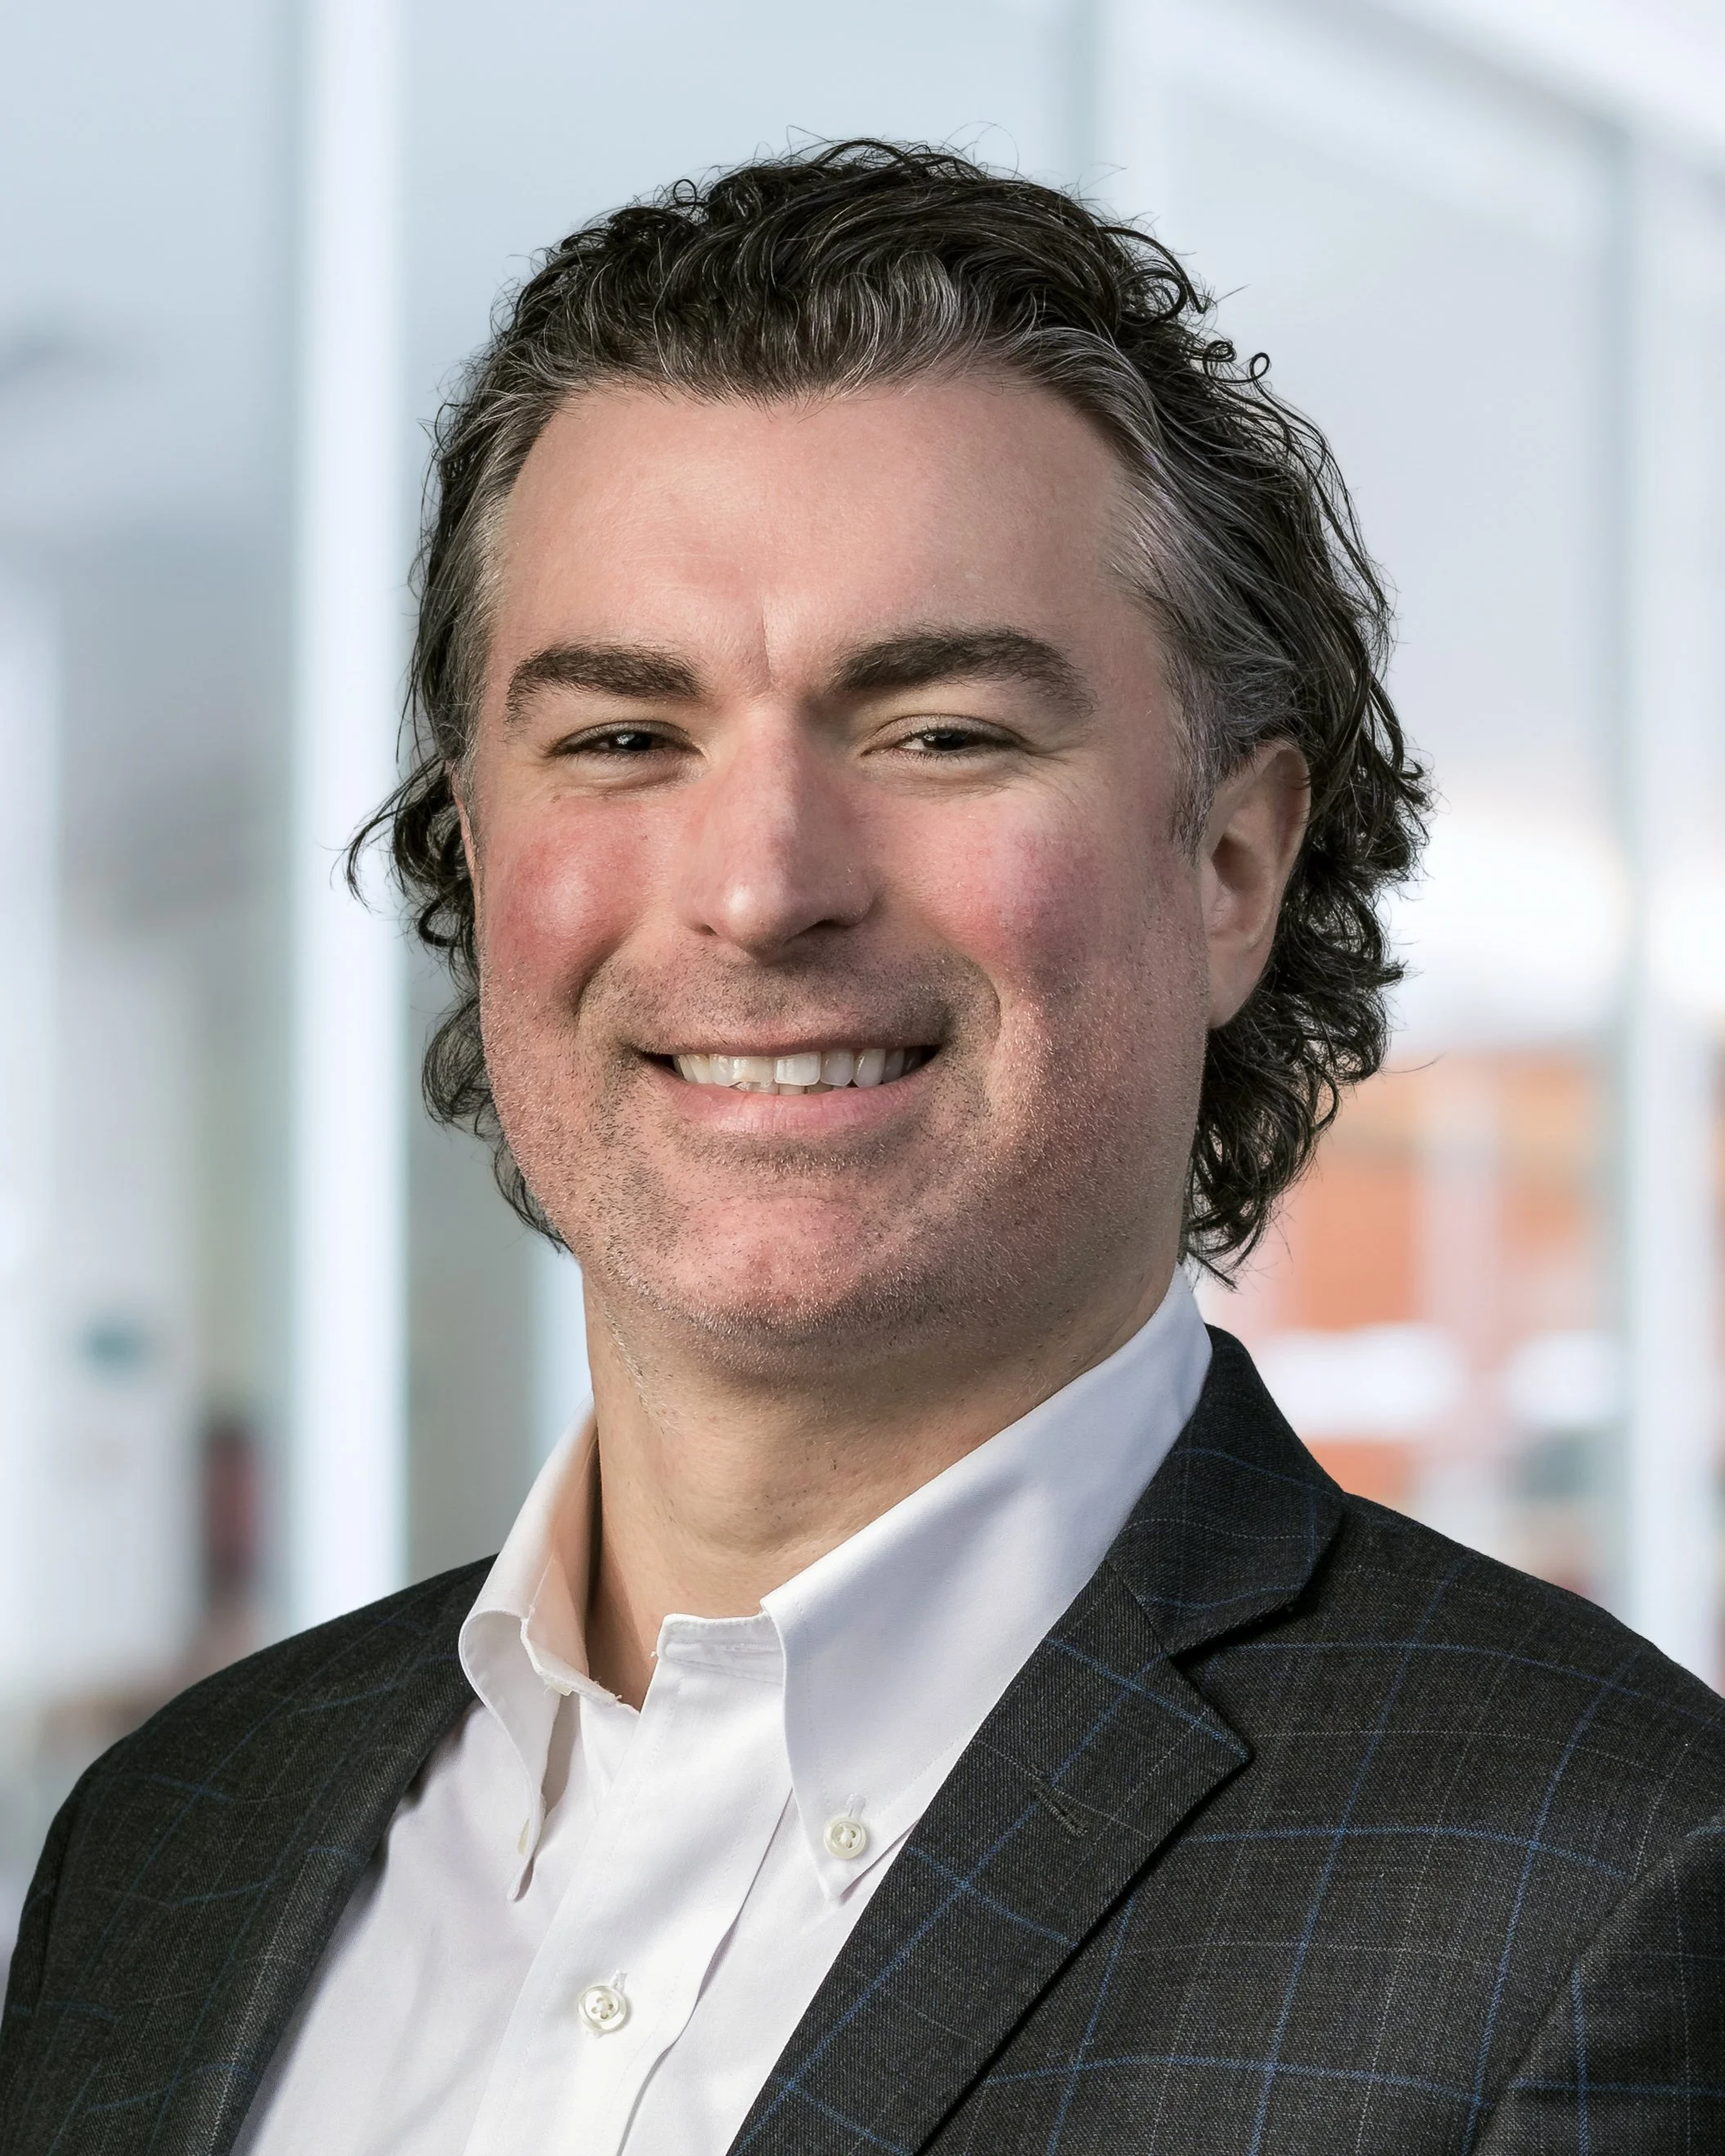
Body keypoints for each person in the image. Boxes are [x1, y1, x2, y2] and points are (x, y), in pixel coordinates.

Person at [2, 141, 1721, 2156]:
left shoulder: (1603, 1891)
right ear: (474, 849)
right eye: (623, 738)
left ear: (1232, 863)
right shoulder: (175, 1834)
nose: (757, 887)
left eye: (939, 732)